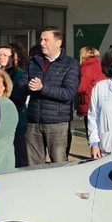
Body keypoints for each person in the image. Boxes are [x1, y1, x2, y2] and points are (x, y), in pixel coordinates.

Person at [24, 28, 80, 166]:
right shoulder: (34, 62)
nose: (42, 43)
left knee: (59, 164)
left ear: (58, 42)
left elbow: (68, 94)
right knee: (33, 165)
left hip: (57, 123)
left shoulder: (70, 64)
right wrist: (27, 86)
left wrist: (43, 88)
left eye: (46, 40)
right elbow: (22, 82)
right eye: (41, 39)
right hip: (33, 121)